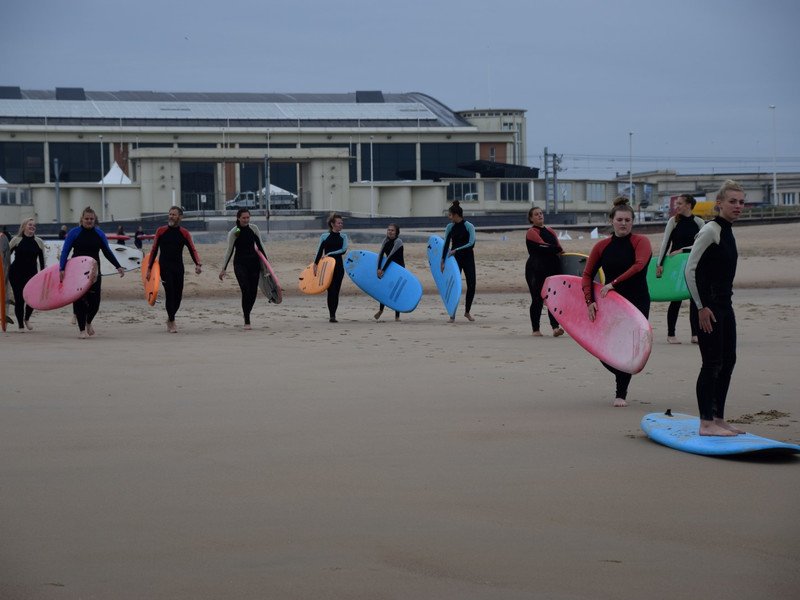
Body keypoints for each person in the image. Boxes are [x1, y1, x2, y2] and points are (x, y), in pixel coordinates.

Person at [685, 180, 746, 437]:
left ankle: (718, 418)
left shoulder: (728, 230)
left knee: (728, 360)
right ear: (719, 204)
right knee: (711, 363)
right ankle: (705, 423)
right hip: (707, 308)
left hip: (724, 305)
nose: (738, 206)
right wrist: (701, 307)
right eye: (733, 201)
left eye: (742, 202)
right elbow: (690, 269)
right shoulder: (711, 229)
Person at [582, 197, 652, 407]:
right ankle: (624, 371)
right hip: (610, 303)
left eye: (628, 220)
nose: (624, 223)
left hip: (636, 302)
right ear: (612, 220)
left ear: (632, 222)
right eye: (620, 219)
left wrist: (613, 282)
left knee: (628, 346)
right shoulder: (602, 246)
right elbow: (587, 275)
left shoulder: (641, 242)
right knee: (605, 349)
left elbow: (639, 266)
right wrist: (589, 301)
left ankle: (621, 392)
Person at [59, 207, 125, 338]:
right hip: (77, 271)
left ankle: (88, 321)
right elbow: (65, 251)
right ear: (82, 219)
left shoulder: (99, 233)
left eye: (91, 219)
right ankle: (82, 329)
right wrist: (61, 268)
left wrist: (118, 266)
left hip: (94, 271)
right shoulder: (74, 233)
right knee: (79, 300)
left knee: (95, 302)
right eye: (86, 219)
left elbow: (107, 251)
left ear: (94, 220)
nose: (89, 221)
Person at [656, 194, 705, 344]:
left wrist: (682, 250)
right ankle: (671, 335)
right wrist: (660, 263)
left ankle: (695, 335)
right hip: (676, 266)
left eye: (679, 203)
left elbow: (701, 245)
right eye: (676, 203)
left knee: (694, 299)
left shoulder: (699, 222)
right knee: (676, 300)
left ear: (689, 205)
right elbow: (665, 243)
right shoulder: (673, 221)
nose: (676, 206)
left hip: (694, 264)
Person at [146, 206, 202, 333]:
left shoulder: (184, 233)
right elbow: (154, 250)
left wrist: (198, 264)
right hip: (164, 267)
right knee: (170, 293)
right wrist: (149, 268)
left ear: (180, 217)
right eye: (170, 214)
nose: (171, 216)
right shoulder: (161, 231)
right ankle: (172, 321)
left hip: (178, 267)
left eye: (174, 214)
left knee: (178, 296)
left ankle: (170, 318)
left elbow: (192, 249)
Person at [219, 208, 267, 330]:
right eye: (244, 218)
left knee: (253, 293)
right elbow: (229, 250)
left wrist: (266, 265)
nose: (246, 220)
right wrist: (223, 268)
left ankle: (247, 312)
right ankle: (247, 319)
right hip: (240, 264)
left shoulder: (254, 228)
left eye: (248, 217)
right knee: (245, 290)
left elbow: (260, 246)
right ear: (238, 218)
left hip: (254, 263)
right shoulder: (235, 232)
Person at [525, 206, 564, 337]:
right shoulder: (531, 232)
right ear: (531, 218)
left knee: (553, 298)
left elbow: (559, 248)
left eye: (541, 213)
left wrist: (559, 251)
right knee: (537, 299)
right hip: (536, 269)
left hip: (552, 268)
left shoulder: (550, 231)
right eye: (536, 214)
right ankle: (535, 329)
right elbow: (544, 247)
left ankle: (555, 328)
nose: (540, 215)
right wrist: (556, 249)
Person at [440, 200, 477, 322]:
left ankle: (467, 312)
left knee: (471, 285)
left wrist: (456, 249)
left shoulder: (469, 226)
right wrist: (442, 261)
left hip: (468, 258)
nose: (448, 217)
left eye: (450, 214)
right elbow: (445, 244)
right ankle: (452, 314)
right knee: (454, 286)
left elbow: (471, 244)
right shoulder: (450, 227)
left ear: (456, 215)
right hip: (455, 259)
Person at [7, 218, 45, 331]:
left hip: (32, 275)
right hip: (16, 274)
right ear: (24, 226)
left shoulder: (39, 242)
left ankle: (27, 318)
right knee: (19, 300)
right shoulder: (16, 240)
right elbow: (5, 256)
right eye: (30, 225)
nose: (32, 227)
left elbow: (42, 261)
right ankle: (20, 325)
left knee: (31, 300)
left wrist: (42, 274)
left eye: (34, 225)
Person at [313, 213, 348, 323]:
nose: (341, 225)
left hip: (338, 267)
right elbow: (319, 251)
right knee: (330, 291)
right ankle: (331, 315)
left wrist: (329, 254)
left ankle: (334, 315)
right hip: (327, 268)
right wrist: (315, 264)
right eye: (339, 223)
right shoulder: (324, 236)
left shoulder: (343, 236)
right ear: (332, 224)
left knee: (336, 291)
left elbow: (343, 250)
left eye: (342, 223)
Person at [374, 223, 404, 322]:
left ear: (396, 232)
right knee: (385, 289)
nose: (390, 232)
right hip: (389, 267)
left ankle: (397, 316)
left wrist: (383, 270)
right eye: (388, 230)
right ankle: (381, 310)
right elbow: (381, 254)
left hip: (399, 268)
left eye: (392, 230)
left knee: (396, 291)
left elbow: (390, 256)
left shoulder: (398, 241)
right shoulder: (385, 241)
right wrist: (378, 268)